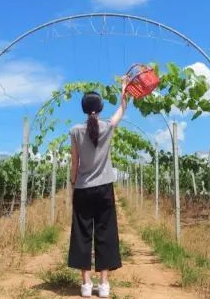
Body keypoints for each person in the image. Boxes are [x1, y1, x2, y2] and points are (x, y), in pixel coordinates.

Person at [68, 78, 129, 298]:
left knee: (82, 233)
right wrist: (124, 92)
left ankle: (85, 285)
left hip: (83, 188)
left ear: (84, 109)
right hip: (104, 189)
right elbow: (121, 110)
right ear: (100, 108)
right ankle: (103, 285)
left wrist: (73, 185)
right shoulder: (107, 127)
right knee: (106, 233)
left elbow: (75, 163)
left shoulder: (75, 131)